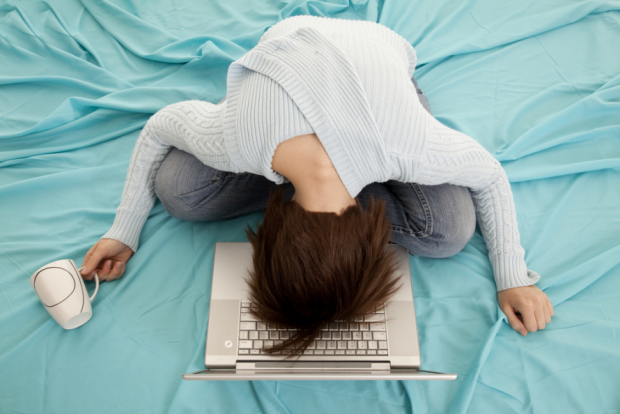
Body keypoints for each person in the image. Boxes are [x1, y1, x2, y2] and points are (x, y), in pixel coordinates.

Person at [80, 15, 553, 356]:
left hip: (374, 61)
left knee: (449, 232)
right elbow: (161, 125)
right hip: (285, 58)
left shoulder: (410, 145)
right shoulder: (234, 139)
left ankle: (299, 168)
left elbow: (491, 175)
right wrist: (124, 229)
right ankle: (290, 152)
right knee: (179, 192)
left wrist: (512, 274)